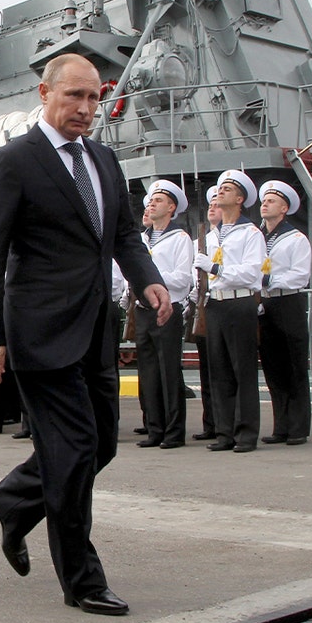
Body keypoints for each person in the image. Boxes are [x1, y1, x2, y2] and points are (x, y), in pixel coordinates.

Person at [0, 54, 171, 617]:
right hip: (37, 333)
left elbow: (124, 235)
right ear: (44, 92)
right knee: (73, 451)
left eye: (93, 98)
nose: (85, 109)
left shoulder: (105, 160)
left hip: (94, 331)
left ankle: (13, 500)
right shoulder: (14, 162)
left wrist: (148, 279)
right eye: (74, 97)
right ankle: (81, 580)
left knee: (100, 444)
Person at [195, 169, 265, 453]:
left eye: (227, 189)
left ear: (240, 199)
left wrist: (215, 268)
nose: (219, 192)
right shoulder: (211, 236)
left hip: (240, 302)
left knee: (242, 369)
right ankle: (225, 432)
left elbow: (252, 273)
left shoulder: (250, 233)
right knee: (219, 370)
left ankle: (246, 433)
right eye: (219, 188)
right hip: (216, 303)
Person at [133, 180, 193, 449]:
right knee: (148, 372)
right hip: (143, 310)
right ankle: (154, 428)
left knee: (169, 371)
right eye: (151, 199)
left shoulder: (180, 238)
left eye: (158, 200)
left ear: (171, 207)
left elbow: (182, 279)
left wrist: (150, 280)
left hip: (168, 308)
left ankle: (173, 431)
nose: (152, 203)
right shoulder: (141, 238)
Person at [257, 180, 312, 446]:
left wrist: (269, 281)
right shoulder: (256, 237)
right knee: (273, 367)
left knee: (294, 366)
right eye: (264, 200)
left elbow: (300, 276)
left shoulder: (296, 239)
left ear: (284, 208)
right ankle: (281, 425)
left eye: (271, 201)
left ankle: (298, 427)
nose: (265, 203)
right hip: (263, 305)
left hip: (287, 302)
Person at [189, 185, 220, 441]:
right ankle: (210, 422)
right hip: (203, 306)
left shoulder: (237, 236)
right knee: (207, 370)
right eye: (210, 205)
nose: (213, 208)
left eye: (217, 204)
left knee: (222, 369)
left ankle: (224, 422)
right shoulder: (199, 241)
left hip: (222, 303)